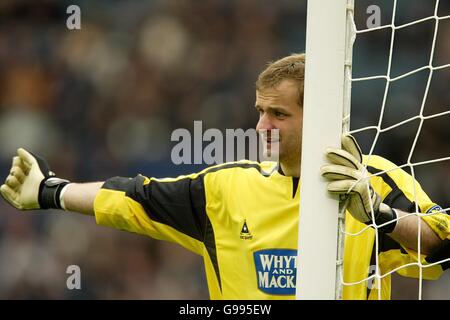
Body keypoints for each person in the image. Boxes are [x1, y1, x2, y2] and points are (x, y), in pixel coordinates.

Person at [1, 53, 449, 300]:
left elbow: (442, 243)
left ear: (321, 114)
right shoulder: (226, 188)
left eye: (278, 114)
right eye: (260, 112)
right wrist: (48, 190)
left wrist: (377, 214)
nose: (262, 127)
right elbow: (134, 198)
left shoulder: (375, 179)